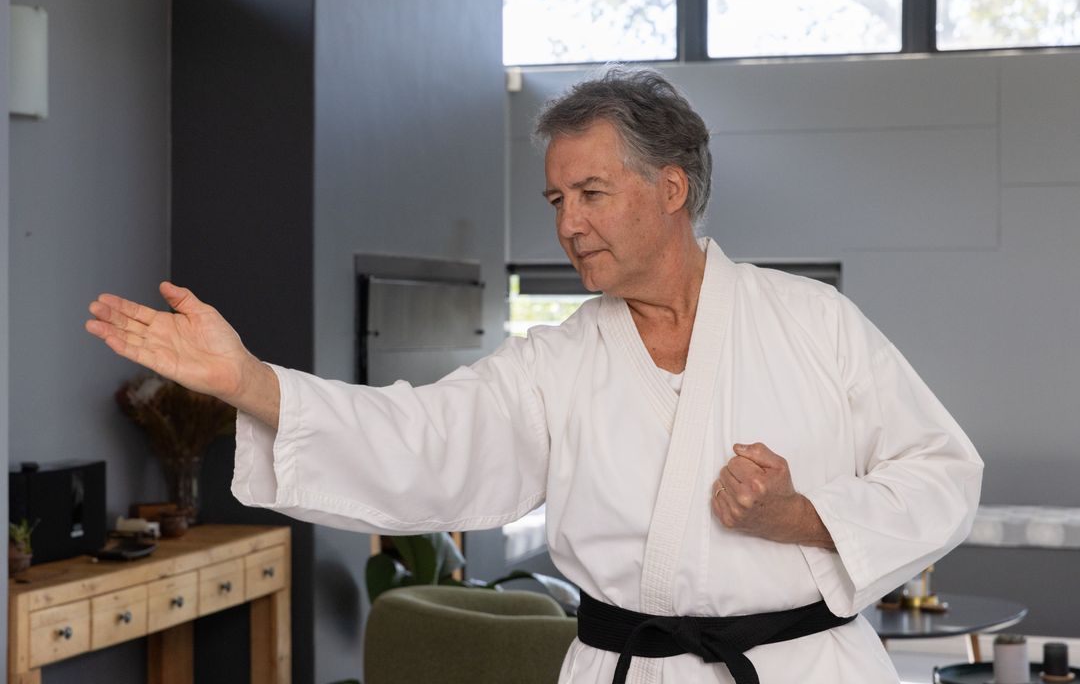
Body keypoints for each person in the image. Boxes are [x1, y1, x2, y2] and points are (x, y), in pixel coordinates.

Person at [86, 67, 983, 684]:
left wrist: (802, 516)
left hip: (803, 669)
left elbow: (943, 471)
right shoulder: (557, 363)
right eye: (557, 200)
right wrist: (247, 380)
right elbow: (424, 442)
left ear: (671, 190)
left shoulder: (811, 322)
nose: (569, 224)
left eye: (593, 193)